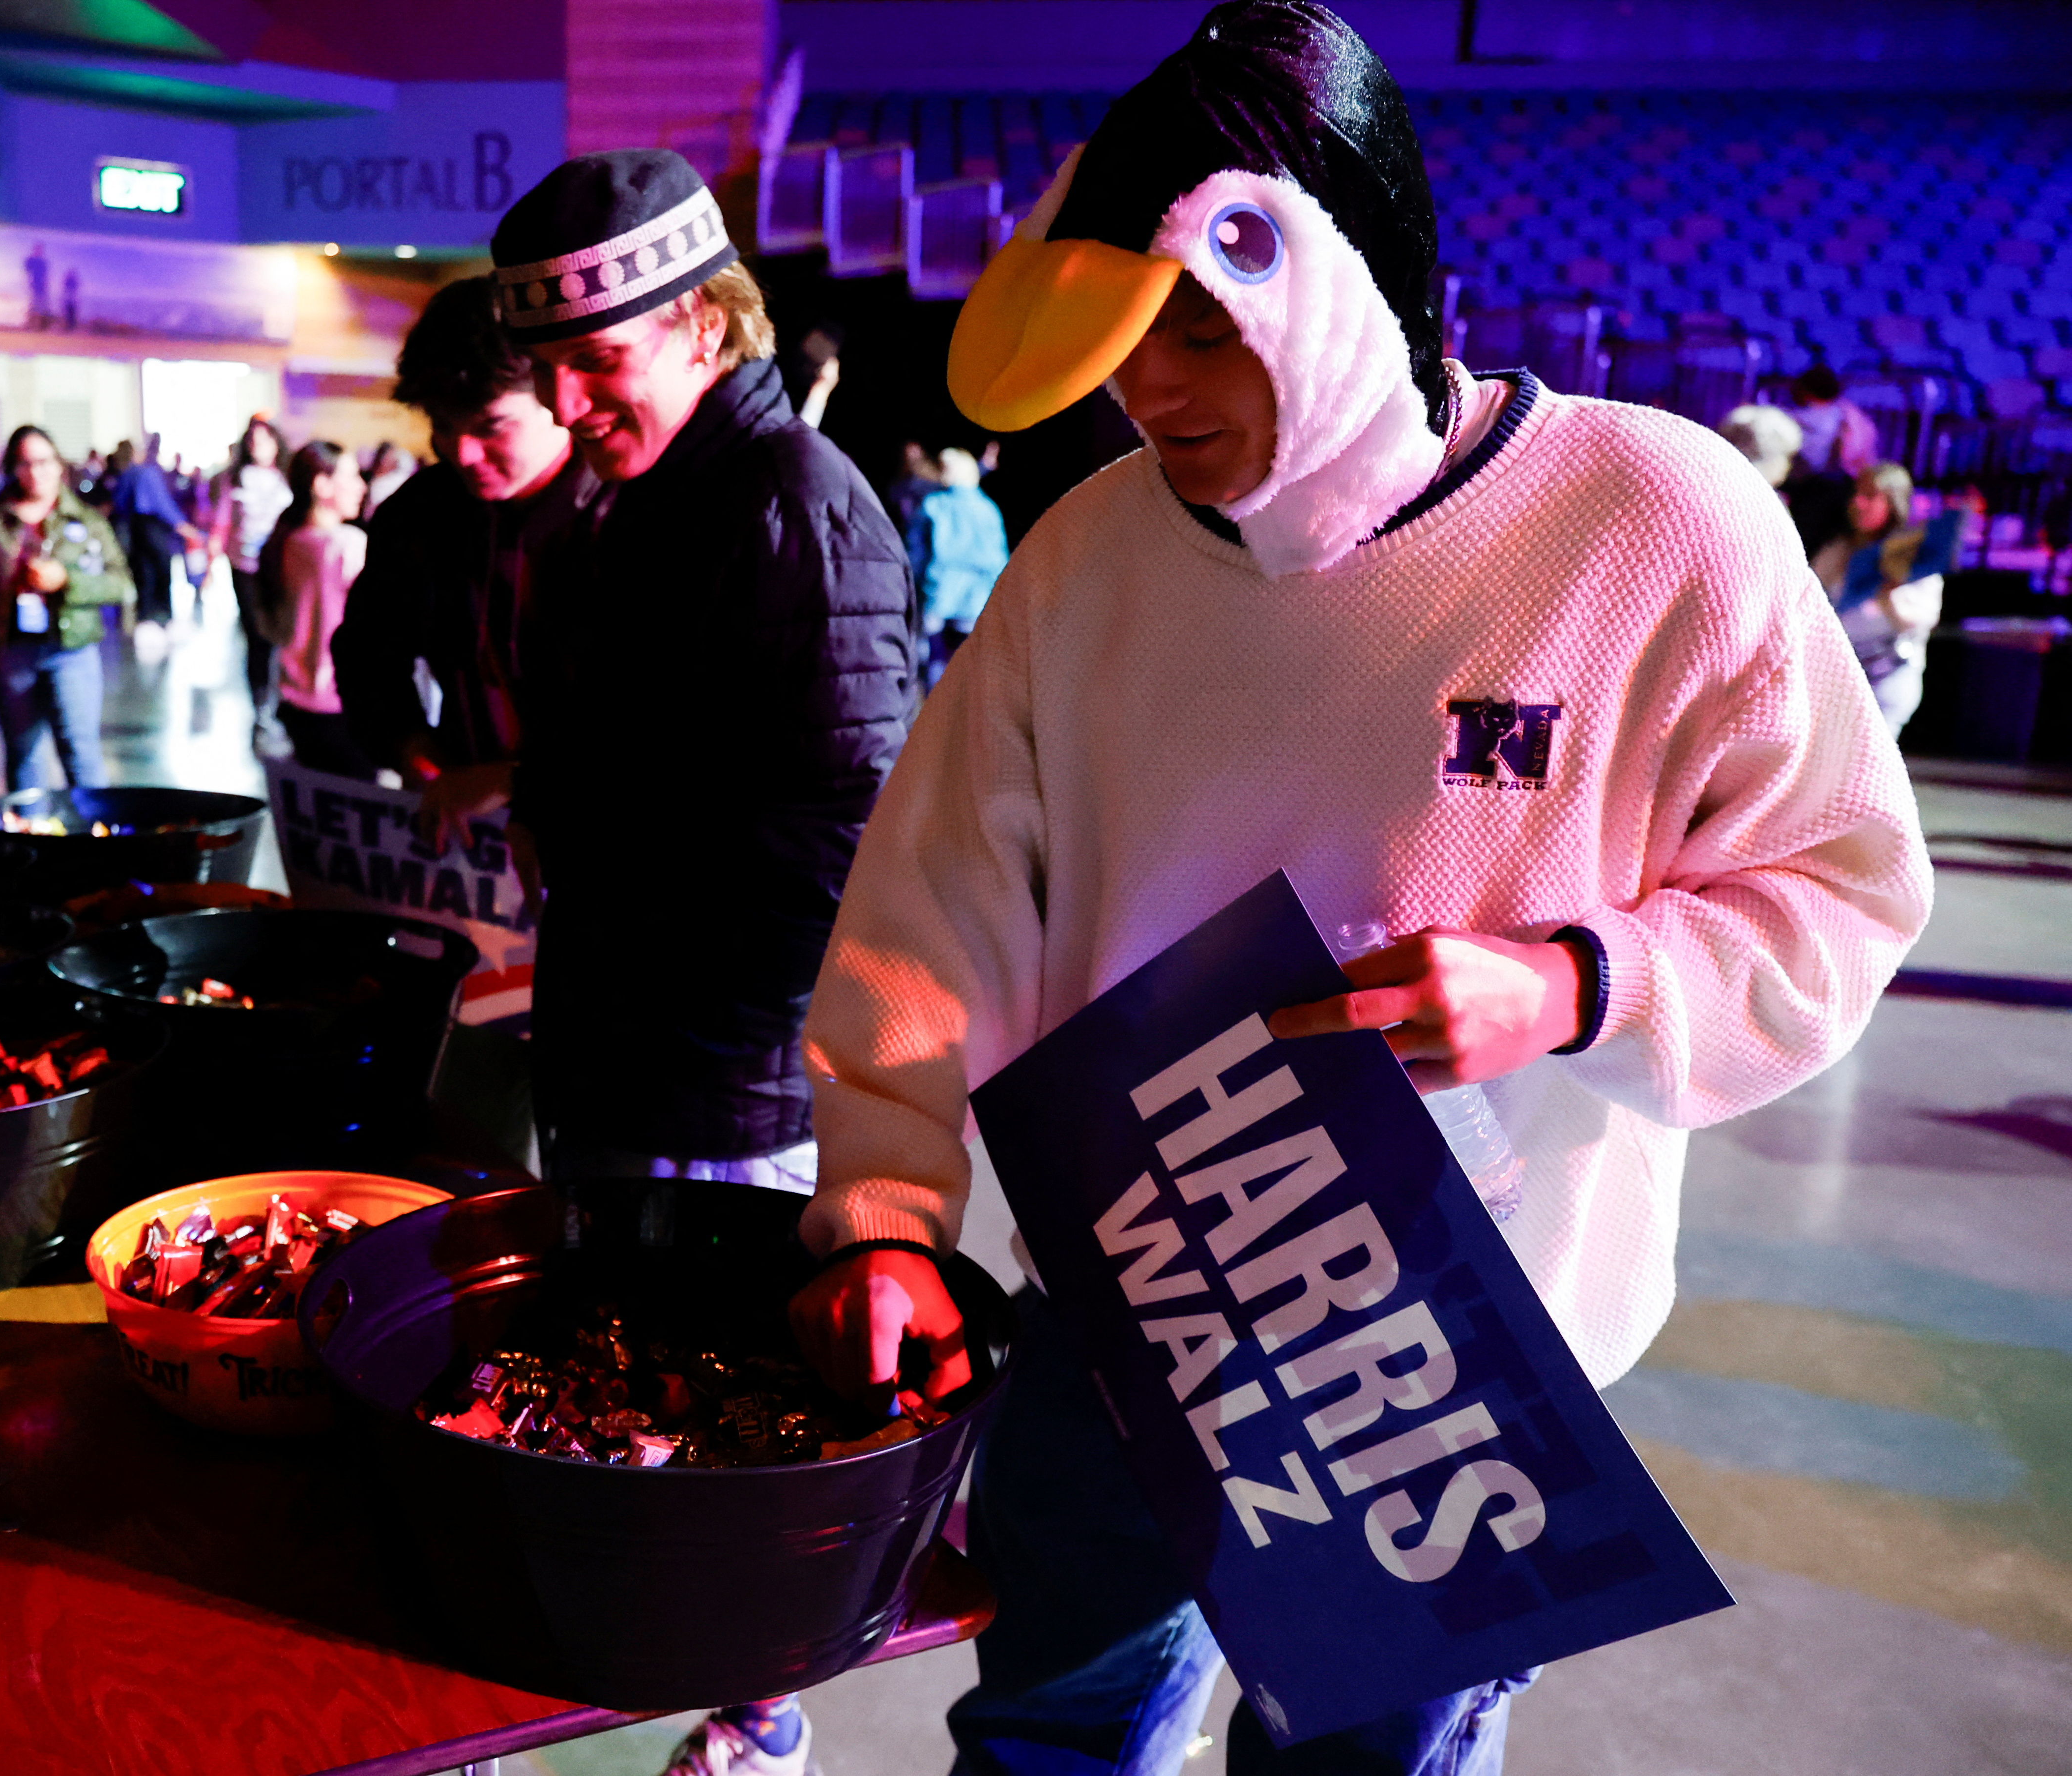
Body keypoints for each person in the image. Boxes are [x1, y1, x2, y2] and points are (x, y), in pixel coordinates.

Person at [784, 8, 1931, 1776]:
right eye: (1115, 341)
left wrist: (1577, 981)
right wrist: (880, 1200)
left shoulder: (1648, 520)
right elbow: (937, 909)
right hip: (1117, 1307)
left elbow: (1840, 884)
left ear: (1327, 271)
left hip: (1442, 1365)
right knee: (1045, 1731)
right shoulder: (1090, 554)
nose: (1143, 388)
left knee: (1368, 1766)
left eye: (1189, 327)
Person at [493, 147, 918, 1776]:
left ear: (704, 323)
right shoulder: (638, 500)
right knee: (627, 1356)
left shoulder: (795, 507)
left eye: (592, 362)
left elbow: (840, 835)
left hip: (714, 1058)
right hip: (617, 1015)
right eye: (549, 368)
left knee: (719, 1382)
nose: (567, 400)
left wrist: (689, 996)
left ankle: (756, 1708)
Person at [332, 274, 602, 844]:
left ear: (557, 395)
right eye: (443, 427)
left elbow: (676, 718)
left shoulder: (630, 510)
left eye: (491, 427)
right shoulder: (419, 514)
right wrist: (408, 745)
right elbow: (366, 654)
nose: (463, 453)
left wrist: (518, 781)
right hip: (465, 835)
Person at [0, 425, 135, 789]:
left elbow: (121, 583)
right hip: (8, 651)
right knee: (23, 753)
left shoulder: (85, 520)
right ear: (13, 468)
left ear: (59, 465)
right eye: (25, 463)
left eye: (44, 462)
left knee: (81, 753)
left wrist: (67, 581)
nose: (36, 472)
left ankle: (91, 837)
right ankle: (28, 838)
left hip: (71, 651)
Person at [262, 439, 375, 776]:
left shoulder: (285, 541)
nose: (361, 487)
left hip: (295, 698)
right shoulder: (347, 545)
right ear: (321, 484)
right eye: (352, 476)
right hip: (342, 701)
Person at [1813, 461, 1945, 736]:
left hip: (1888, 676)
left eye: (1871, 496)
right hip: (1837, 678)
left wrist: (1889, 595)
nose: (1858, 503)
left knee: (1868, 771)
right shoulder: (1839, 549)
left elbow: (1922, 621)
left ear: (1894, 502)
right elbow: (1807, 598)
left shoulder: (1915, 554)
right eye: (1857, 494)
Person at [210, 418, 296, 701]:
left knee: (285, 633)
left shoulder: (288, 476)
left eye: (264, 441)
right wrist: (212, 562)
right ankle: (261, 702)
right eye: (252, 442)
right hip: (245, 567)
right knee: (257, 635)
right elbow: (222, 522)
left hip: (282, 567)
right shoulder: (235, 477)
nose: (257, 447)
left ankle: (283, 698)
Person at [908, 446, 1010, 682]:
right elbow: (999, 558)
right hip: (976, 599)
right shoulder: (988, 509)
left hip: (937, 593)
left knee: (935, 662)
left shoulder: (932, 505)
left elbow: (915, 553)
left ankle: (938, 717)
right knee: (970, 666)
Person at [111, 433, 202, 650]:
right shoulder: (148, 473)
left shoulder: (130, 473)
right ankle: (160, 618)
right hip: (153, 529)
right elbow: (162, 505)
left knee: (144, 575)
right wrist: (183, 526)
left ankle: (147, 619)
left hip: (137, 529)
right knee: (160, 573)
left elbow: (119, 503)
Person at [1789, 364, 1878, 478]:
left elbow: (1812, 461)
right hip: (1852, 479)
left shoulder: (1806, 418)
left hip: (1821, 482)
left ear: (1806, 391)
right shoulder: (1854, 415)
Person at [358, 439, 415, 523]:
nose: (383, 461)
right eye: (380, 457)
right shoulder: (369, 478)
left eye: (387, 458)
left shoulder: (399, 481)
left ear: (395, 462)